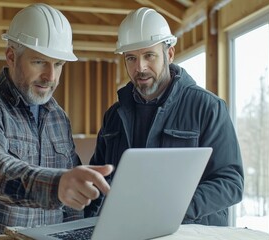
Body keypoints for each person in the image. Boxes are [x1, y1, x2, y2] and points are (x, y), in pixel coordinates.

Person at [0, 3, 113, 239]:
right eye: (39, 62)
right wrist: (56, 186)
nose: (51, 77)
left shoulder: (57, 116)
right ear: (11, 56)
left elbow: (71, 202)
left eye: (58, 64)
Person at [84, 7, 244, 226]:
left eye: (149, 55)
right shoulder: (114, 116)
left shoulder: (208, 108)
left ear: (169, 54)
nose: (140, 67)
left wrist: (172, 210)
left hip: (191, 234)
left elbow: (230, 183)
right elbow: (98, 182)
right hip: (129, 231)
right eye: (131, 58)